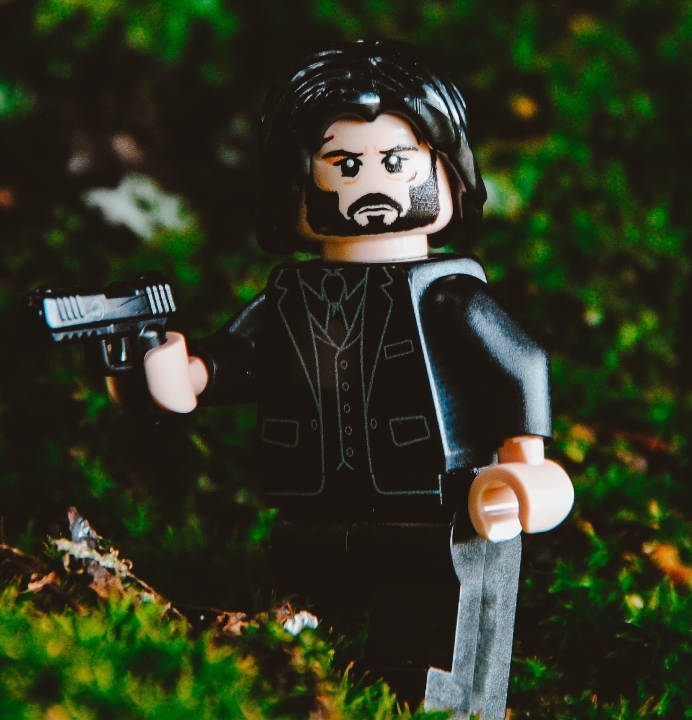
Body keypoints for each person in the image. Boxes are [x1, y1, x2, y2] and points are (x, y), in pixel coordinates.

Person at [143, 41, 574, 718]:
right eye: (343, 164)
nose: (372, 183)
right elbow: (240, 360)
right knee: (301, 636)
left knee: (425, 659)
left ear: (448, 171)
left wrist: (525, 459)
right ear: (293, 183)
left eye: (397, 162)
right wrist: (182, 373)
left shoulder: (449, 296)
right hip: (312, 511)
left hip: (432, 510)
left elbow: (518, 362)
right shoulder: (292, 296)